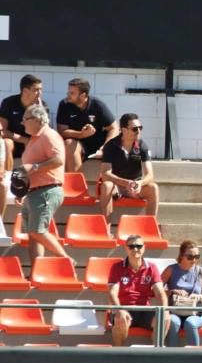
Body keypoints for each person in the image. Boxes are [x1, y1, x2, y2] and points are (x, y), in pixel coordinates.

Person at [19, 103, 73, 264]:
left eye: (25, 119)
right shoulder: (35, 139)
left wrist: (34, 167)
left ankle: (66, 261)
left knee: (37, 231)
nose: (22, 122)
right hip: (34, 191)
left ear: (37, 119)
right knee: (33, 235)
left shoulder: (49, 135)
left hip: (46, 190)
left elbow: (59, 160)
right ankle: (38, 271)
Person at [107, 234, 169, 346]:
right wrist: (119, 310)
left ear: (144, 247)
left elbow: (160, 292)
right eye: (131, 246)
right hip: (124, 307)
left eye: (139, 246)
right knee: (120, 318)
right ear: (126, 248)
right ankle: (118, 355)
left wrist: (165, 310)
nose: (135, 249)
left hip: (144, 309)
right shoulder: (117, 267)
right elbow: (112, 292)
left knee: (165, 319)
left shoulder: (152, 267)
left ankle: (155, 353)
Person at [98, 113, 159, 220]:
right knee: (107, 185)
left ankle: (150, 227)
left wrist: (139, 183)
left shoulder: (142, 146)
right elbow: (105, 174)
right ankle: (106, 230)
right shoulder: (111, 146)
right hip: (117, 187)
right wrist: (126, 183)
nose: (139, 131)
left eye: (140, 128)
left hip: (135, 186)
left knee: (153, 188)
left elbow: (150, 175)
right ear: (124, 130)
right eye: (135, 129)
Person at [55, 78, 118, 172]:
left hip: (98, 143)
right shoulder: (65, 104)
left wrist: (105, 147)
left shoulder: (97, 105)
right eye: (68, 92)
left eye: (72, 93)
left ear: (83, 95)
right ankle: (75, 184)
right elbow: (62, 131)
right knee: (69, 143)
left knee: (119, 143)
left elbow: (114, 128)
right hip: (78, 144)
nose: (68, 95)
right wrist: (81, 134)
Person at [161, 240, 202, 347]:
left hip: (195, 312)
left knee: (190, 323)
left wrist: (198, 296)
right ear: (181, 255)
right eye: (190, 257)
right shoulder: (171, 269)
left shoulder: (201, 272)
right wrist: (171, 291)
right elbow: (156, 290)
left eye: (196, 256)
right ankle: (171, 357)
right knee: (173, 322)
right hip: (175, 310)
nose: (193, 260)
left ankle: (194, 358)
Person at [0, 74, 49, 160]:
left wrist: (40, 110)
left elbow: (46, 132)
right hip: (13, 140)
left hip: (33, 142)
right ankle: (6, 173)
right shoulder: (9, 103)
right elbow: (2, 131)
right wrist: (24, 140)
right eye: (36, 90)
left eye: (41, 90)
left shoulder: (42, 106)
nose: (40, 93)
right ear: (25, 91)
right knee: (7, 144)